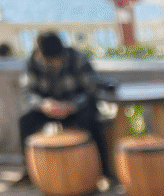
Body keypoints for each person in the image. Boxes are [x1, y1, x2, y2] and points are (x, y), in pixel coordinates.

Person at [17, 30, 110, 182]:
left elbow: (91, 89)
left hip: (76, 107)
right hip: (48, 108)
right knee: (25, 121)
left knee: (91, 121)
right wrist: (43, 104)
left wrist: (71, 105)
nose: (54, 62)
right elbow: (27, 92)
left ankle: (103, 171)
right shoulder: (33, 62)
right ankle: (29, 173)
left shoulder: (77, 58)